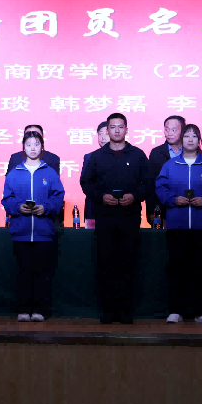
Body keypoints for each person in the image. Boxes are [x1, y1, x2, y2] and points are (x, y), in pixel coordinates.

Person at [80, 112, 151, 324]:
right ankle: (108, 310)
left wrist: (135, 196)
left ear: (126, 130)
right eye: (113, 127)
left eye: (121, 127)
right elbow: (86, 183)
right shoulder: (96, 157)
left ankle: (125, 310)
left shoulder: (138, 155)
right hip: (105, 217)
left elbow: (148, 183)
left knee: (128, 263)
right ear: (107, 130)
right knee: (106, 263)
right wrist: (101, 197)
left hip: (130, 217)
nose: (117, 130)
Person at [155, 124, 202, 324]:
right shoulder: (170, 165)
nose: (190, 139)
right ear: (181, 139)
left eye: (194, 136)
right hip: (176, 226)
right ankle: (176, 310)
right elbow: (160, 187)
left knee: (201, 269)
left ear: (199, 140)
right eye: (187, 136)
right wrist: (172, 199)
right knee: (177, 268)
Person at [2, 130, 65, 322]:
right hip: (20, 232)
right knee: (23, 272)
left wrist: (45, 207)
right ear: (23, 147)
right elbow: (7, 199)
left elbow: (58, 197)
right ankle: (23, 309)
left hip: (43, 232)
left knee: (41, 273)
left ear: (42, 147)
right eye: (29, 144)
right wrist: (17, 207)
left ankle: (39, 310)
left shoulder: (50, 172)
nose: (32, 148)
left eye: (36, 144)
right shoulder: (14, 173)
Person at [147, 115, 186, 225]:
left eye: (174, 130)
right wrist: (150, 211)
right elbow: (150, 184)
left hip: (187, 209)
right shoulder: (156, 153)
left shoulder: (192, 151)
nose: (169, 133)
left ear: (182, 131)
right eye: (167, 129)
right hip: (162, 209)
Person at [81, 121, 110, 228]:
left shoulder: (124, 156)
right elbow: (84, 182)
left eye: (106, 134)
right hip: (93, 207)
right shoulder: (89, 157)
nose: (103, 137)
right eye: (100, 134)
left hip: (116, 209)